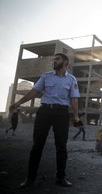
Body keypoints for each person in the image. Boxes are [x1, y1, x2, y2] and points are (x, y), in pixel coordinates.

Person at [9, 53, 80, 188]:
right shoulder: (46, 76)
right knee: (37, 145)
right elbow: (34, 92)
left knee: (61, 147)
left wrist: (76, 116)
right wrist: (18, 103)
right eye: (53, 59)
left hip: (61, 113)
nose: (54, 61)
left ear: (65, 62)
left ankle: (61, 178)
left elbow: (74, 98)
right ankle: (30, 178)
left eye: (57, 59)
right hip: (44, 112)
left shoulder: (71, 79)